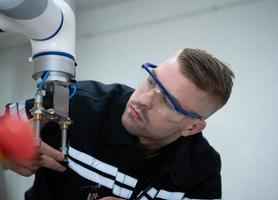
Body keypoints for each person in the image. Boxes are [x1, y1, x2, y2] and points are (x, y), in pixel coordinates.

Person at [2, 48, 234, 200]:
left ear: (192, 127)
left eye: (167, 102)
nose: (142, 100)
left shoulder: (203, 167)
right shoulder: (75, 101)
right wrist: (3, 152)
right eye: (151, 81)